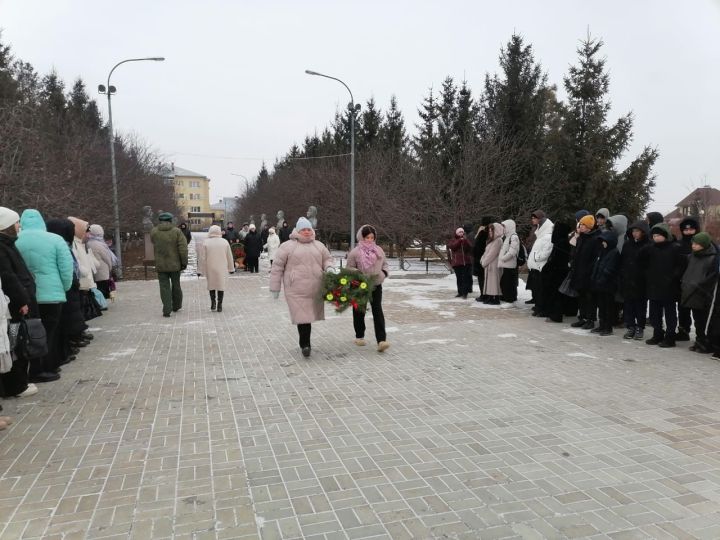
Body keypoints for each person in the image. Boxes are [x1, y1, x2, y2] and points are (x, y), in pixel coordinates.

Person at [16, 209, 73, 383]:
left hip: (25, 295)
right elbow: (66, 268)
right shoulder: (56, 240)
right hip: (52, 294)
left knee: (29, 333)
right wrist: (64, 288)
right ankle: (45, 367)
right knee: (49, 332)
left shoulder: (15, 241)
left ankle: (31, 368)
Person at [269, 217, 333, 357]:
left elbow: (327, 259)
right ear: (297, 230)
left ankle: (305, 343)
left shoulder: (319, 245)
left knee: (308, 317)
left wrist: (329, 268)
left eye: (308, 229)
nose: (306, 232)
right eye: (303, 229)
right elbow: (277, 267)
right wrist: (275, 287)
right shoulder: (287, 246)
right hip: (296, 288)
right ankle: (305, 345)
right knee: (303, 317)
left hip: (315, 287)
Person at [0, 207, 38, 398]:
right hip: (13, 306)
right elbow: (8, 278)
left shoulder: (8, 244)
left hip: (15, 302)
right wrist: (21, 300)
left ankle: (18, 382)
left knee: (16, 343)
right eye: (15, 222)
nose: (18, 226)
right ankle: (17, 385)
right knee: (16, 344)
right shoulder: (2, 247)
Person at [640, 223, 686, 347]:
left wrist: (673, 277)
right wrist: (648, 275)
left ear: (666, 235)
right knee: (655, 313)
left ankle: (670, 337)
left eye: (659, 235)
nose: (656, 238)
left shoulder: (675, 248)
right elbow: (643, 262)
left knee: (670, 313)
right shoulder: (650, 248)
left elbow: (681, 265)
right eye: (654, 235)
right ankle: (658, 333)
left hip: (669, 287)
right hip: (654, 285)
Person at [346, 225, 390, 352]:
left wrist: (383, 274)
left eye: (372, 237)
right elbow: (349, 269)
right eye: (367, 237)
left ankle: (381, 340)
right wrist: (359, 275)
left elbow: (385, 264)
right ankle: (359, 336)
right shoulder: (355, 252)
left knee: (377, 310)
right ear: (361, 237)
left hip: (376, 285)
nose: (370, 240)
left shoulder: (379, 250)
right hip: (359, 285)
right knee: (359, 310)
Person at [680, 232, 718, 353]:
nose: (694, 246)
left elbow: (711, 278)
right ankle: (699, 340)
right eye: (693, 243)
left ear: (704, 245)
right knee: (697, 320)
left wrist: (701, 286)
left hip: (703, 294)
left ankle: (706, 343)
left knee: (704, 320)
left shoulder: (712, 258)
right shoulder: (691, 257)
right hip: (690, 291)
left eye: (697, 244)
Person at [150, 212, 189, 317]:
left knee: (164, 287)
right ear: (171, 220)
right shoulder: (177, 232)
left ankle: (166, 309)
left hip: (161, 264)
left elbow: (153, 242)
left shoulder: (154, 231)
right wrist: (184, 262)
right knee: (176, 285)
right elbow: (183, 249)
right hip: (175, 264)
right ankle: (176, 305)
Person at [569, 215, 602, 329]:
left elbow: (594, 258)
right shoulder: (581, 237)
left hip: (588, 273)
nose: (581, 226)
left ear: (589, 227)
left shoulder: (595, 239)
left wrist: (589, 272)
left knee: (590, 298)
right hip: (578, 271)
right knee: (581, 296)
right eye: (580, 224)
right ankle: (582, 317)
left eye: (583, 224)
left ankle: (591, 319)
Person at [619, 221, 650, 340]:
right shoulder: (627, 244)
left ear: (643, 232)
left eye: (637, 231)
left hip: (641, 281)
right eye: (633, 231)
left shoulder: (647, 245)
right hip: (627, 279)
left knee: (640, 306)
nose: (634, 234)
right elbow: (622, 260)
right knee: (628, 305)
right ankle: (630, 326)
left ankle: (640, 327)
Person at [68, 217, 102, 322]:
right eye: (86, 231)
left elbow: (92, 263)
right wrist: (84, 272)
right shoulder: (75, 244)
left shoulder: (82, 244)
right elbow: (77, 262)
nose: (89, 235)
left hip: (86, 282)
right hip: (81, 282)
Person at [589, 231, 621, 335]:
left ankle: (608, 327)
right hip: (600, 284)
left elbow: (610, 269)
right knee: (601, 306)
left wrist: (602, 279)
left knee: (608, 307)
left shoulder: (614, 252)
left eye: (604, 241)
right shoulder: (603, 251)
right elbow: (597, 266)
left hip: (608, 285)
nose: (602, 243)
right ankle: (602, 325)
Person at [197, 225, 234, 312]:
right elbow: (229, 256)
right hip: (222, 267)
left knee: (212, 285)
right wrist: (231, 268)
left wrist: (199, 270)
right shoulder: (225, 242)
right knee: (221, 285)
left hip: (210, 267)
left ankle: (213, 302)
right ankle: (220, 304)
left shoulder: (206, 242)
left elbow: (202, 258)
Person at [541, 222, 572, 323]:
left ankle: (556, 315)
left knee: (556, 294)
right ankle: (554, 313)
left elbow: (556, 258)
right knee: (555, 294)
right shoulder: (562, 241)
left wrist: (547, 267)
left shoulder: (562, 243)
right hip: (557, 271)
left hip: (557, 272)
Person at [676, 217, 701, 342]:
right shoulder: (679, 244)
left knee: (699, 311)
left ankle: (701, 335)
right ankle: (683, 331)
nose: (688, 232)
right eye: (686, 230)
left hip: (698, 283)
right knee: (682, 308)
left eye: (691, 229)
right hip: (682, 282)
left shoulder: (703, 244)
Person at [526, 210, 554, 316]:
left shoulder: (547, 236)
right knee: (537, 290)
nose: (533, 221)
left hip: (540, 266)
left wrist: (536, 258)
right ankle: (539, 307)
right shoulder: (540, 235)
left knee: (541, 290)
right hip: (536, 266)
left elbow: (546, 252)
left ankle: (542, 309)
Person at [86, 224, 115, 299]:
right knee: (103, 289)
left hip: (94, 271)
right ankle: (102, 303)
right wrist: (110, 267)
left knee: (98, 288)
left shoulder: (88, 243)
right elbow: (107, 258)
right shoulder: (100, 244)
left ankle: (100, 302)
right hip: (102, 271)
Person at [480, 223, 504, 305]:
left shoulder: (498, 240)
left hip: (494, 264)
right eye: (489, 231)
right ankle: (490, 297)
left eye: (491, 231)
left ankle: (496, 298)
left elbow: (492, 254)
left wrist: (484, 262)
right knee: (490, 282)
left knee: (494, 282)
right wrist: (482, 259)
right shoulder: (492, 240)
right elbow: (486, 252)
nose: (490, 232)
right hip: (489, 264)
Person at [497, 219, 520, 304]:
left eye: (504, 226)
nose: (503, 228)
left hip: (509, 264)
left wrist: (503, 258)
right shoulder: (507, 237)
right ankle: (507, 296)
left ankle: (510, 298)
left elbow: (512, 252)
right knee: (505, 282)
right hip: (506, 264)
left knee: (508, 283)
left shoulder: (513, 237)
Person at [448, 227, 473, 299]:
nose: (461, 233)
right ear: (456, 233)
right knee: (459, 278)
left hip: (466, 262)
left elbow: (470, 247)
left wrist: (465, 241)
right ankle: (460, 292)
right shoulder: (453, 240)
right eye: (459, 232)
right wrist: (459, 241)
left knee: (465, 278)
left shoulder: (465, 239)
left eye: (462, 232)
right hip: (457, 263)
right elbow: (452, 247)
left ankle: (465, 293)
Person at [472, 217, 493, 301]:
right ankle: (485, 294)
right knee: (484, 278)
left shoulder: (483, 233)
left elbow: (477, 247)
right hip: (485, 258)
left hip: (481, 259)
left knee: (482, 278)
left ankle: (483, 295)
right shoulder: (490, 232)